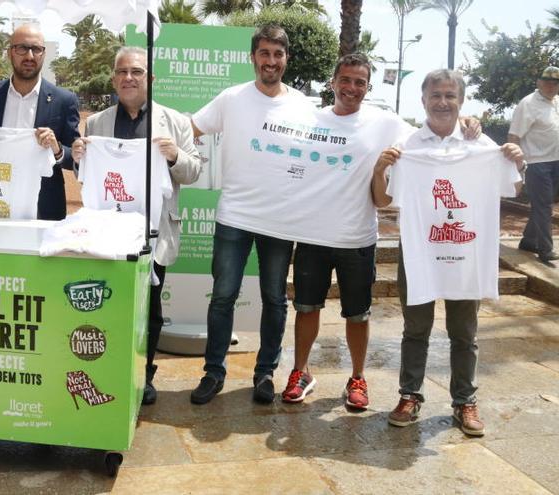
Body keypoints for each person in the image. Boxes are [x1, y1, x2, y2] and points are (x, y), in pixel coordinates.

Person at [279, 54, 481, 410]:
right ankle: (301, 371)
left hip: (357, 237)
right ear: (333, 82)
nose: (352, 88)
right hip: (312, 234)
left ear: (368, 87)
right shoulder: (311, 118)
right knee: (307, 308)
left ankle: (357, 378)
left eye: (360, 82)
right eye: (346, 80)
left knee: (358, 314)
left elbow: (431, 129)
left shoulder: (385, 121)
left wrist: (465, 119)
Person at [371, 69, 525, 437]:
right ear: (423, 100)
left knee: (464, 332)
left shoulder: (480, 143)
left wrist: (516, 160)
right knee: (415, 329)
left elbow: (515, 188)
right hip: (420, 251)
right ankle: (410, 395)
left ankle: (465, 401)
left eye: (450, 95)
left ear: (460, 101)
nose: (443, 102)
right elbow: (384, 200)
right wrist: (381, 169)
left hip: (465, 255)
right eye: (436, 95)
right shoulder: (408, 146)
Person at [70, 46, 202, 405]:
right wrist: (80, 159)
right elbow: (87, 176)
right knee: (109, 306)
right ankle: (110, 370)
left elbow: (194, 171)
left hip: (154, 233)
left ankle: (145, 374)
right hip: (108, 232)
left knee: (150, 308)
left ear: (151, 79)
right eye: (122, 72)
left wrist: (174, 155)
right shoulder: (97, 123)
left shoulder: (175, 121)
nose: (129, 77)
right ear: (114, 78)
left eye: (137, 72)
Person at [189, 24, 311, 405]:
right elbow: (190, 127)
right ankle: (213, 372)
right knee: (222, 296)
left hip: (279, 220)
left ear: (286, 59)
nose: (270, 61)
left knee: (275, 299)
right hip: (234, 216)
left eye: (277, 54)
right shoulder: (231, 98)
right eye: (264, 54)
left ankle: (265, 375)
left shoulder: (303, 106)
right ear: (253, 57)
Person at [0, 24, 80, 220]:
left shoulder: (64, 100)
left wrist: (57, 150)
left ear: (43, 54)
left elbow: (74, 157)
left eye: (36, 49)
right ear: (9, 53)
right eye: (22, 48)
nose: (29, 56)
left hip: (44, 205)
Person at [509, 66, 559, 266]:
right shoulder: (528, 104)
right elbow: (514, 136)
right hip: (537, 164)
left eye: (555, 83)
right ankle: (546, 250)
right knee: (544, 207)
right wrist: (515, 168)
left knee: (542, 205)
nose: (550, 86)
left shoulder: (556, 102)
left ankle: (528, 241)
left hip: (556, 162)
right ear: (538, 82)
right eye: (546, 81)